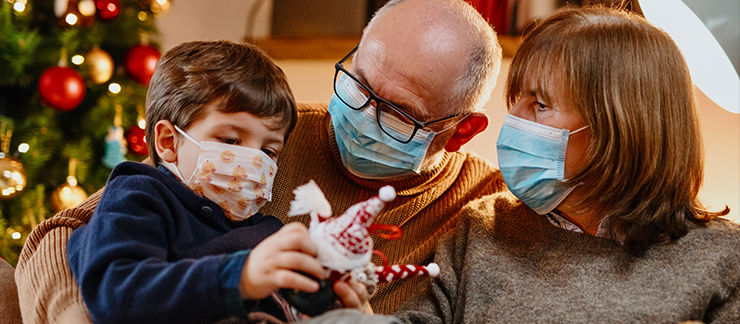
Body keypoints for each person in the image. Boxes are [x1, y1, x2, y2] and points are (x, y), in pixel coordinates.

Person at [15, 0, 505, 321]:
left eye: (397, 113)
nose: (359, 115)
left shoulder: (484, 207)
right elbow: (67, 233)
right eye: (358, 85)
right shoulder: (271, 130)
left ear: (461, 130)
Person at [394, 6, 740, 323]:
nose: (512, 120)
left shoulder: (724, 260)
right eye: (517, 99)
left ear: (618, 129)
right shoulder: (480, 229)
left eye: (540, 104)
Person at [64, 40, 374, 324]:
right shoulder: (139, 197)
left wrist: (334, 307)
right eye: (230, 139)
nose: (254, 162)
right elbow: (115, 294)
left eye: (268, 151)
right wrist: (240, 277)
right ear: (168, 141)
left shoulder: (269, 233)